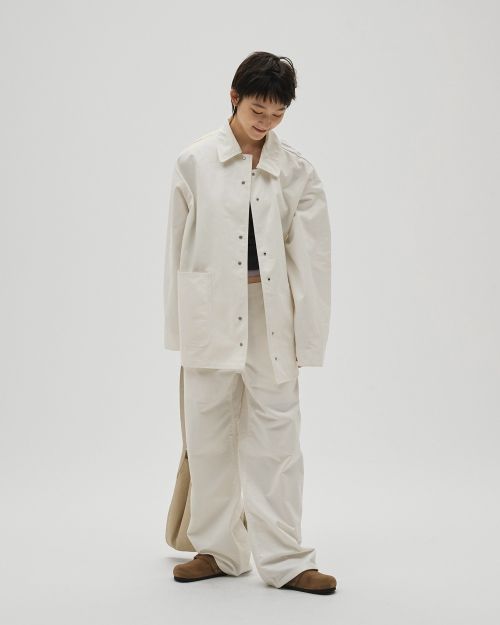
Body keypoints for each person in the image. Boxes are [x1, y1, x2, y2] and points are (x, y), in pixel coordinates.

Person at [163, 51, 336, 595]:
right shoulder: (194, 162)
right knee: (209, 434)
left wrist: (309, 337)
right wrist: (180, 330)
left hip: (270, 315)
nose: (266, 122)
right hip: (209, 312)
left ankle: (285, 559)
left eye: (277, 114)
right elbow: (176, 251)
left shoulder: (297, 171)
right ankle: (218, 550)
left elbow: (314, 260)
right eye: (258, 110)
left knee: (277, 439)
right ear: (234, 97)